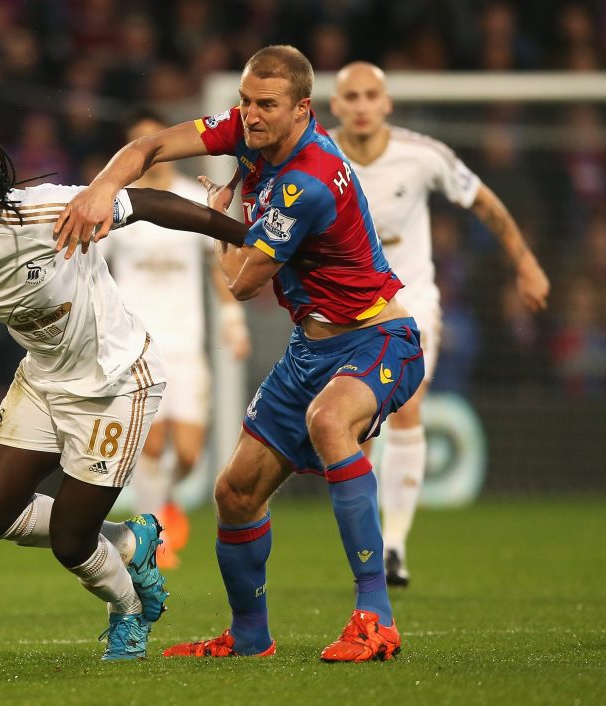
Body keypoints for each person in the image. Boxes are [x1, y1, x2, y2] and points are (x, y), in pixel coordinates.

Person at [55, 44, 424, 662]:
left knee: (331, 422)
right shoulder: (249, 134)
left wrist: (217, 215)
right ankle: (250, 636)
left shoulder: (306, 181)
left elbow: (239, 279)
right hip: (310, 348)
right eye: (245, 102)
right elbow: (149, 148)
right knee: (234, 493)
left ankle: (375, 618)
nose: (249, 115)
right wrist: (99, 189)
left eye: (266, 105)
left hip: (379, 336)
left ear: (303, 108)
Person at [0, 109, 250, 661]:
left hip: (115, 382)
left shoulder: (45, 213)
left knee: (71, 541)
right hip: (43, 377)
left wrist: (243, 235)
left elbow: (148, 204)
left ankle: (129, 613)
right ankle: (132, 542)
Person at [328, 61, 550, 586]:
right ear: (335, 106)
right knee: (354, 429)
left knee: (405, 405)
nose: (361, 106)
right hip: (344, 307)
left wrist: (525, 261)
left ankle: (395, 546)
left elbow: (484, 203)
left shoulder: (422, 155)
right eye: (351, 97)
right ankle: (366, 545)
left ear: (387, 104)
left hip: (411, 301)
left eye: (370, 96)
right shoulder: (317, 157)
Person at [102, 107, 251, 569]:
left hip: (187, 343)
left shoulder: (193, 197)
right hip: (135, 342)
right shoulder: (117, 202)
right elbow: (94, 268)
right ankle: (148, 539)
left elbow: (216, 266)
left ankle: (162, 502)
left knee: (187, 454)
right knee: (150, 440)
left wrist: (232, 320)